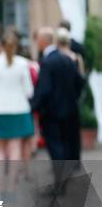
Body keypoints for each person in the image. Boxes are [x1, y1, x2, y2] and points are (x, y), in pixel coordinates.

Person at [0, 31, 34, 193]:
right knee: (15, 149)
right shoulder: (22, 63)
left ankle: (0, 187)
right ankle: (12, 188)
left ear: (1, 45)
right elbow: (29, 91)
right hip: (19, 108)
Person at [30, 27, 84, 162]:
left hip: (52, 112)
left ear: (43, 41)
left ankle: (61, 178)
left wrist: (34, 107)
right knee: (66, 143)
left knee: (55, 146)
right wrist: (72, 98)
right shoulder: (67, 58)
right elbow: (79, 82)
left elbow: (44, 89)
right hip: (69, 109)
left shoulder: (47, 62)